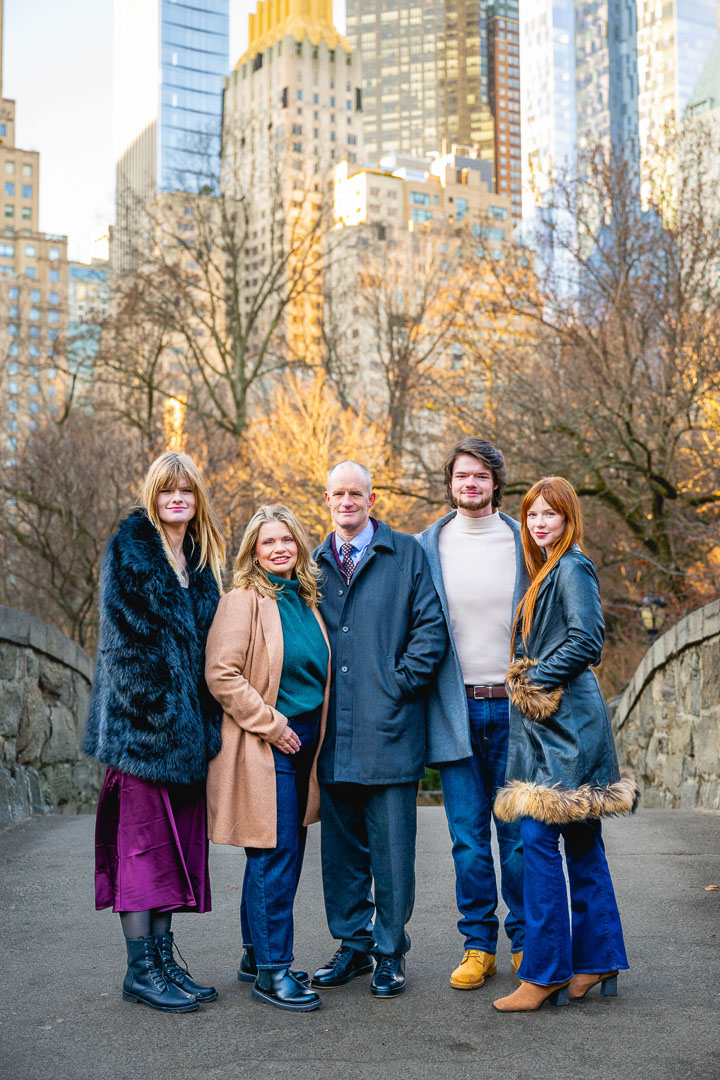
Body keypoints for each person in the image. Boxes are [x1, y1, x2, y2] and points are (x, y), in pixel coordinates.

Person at [84, 451, 225, 1013]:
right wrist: (165, 716)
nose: (176, 500)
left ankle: (164, 960)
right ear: (153, 495)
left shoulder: (202, 558)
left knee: (173, 854)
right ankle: (139, 969)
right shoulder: (132, 551)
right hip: (143, 736)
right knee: (140, 853)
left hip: (189, 738)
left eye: (186, 492)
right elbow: (125, 649)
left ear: (196, 500)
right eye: (167, 491)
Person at [492, 476, 638, 1012]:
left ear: (568, 517)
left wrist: (532, 679)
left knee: (536, 840)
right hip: (559, 723)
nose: (539, 523)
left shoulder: (572, 566)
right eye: (531, 515)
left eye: (550, 514)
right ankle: (597, 958)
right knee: (579, 842)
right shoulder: (546, 569)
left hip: (567, 724)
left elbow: (587, 640)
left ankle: (546, 971)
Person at [310, 461, 447, 998]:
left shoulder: (405, 553)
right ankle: (353, 947)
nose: (346, 501)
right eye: (337, 493)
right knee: (340, 855)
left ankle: (390, 952)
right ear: (326, 499)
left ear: (372, 498)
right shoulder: (313, 563)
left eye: (356, 493)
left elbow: (431, 628)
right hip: (331, 736)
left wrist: (398, 684)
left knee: (392, 855)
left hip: (390, 730)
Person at [205, 505, 330, 1013]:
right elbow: (221, 674)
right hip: (266, 743)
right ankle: (274, 974)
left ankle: (257, 956)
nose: (279, 549)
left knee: (282, 853)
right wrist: (273, 725)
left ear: (299, 546)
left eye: (287, 541)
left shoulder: (305, 600)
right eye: (267, 542)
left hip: (306, 744)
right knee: (273, 854)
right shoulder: (242, 601)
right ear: (252, 552)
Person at [415, 438, 527, 991]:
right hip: (454, 710)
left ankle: (527, 943)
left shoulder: (525, 541)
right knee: (467, 837)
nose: (471, 485)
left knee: (519, 835)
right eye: (462, 476)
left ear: (496, 484)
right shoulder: (425, 548)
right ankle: (478, 944)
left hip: (516, 713)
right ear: (451, 482)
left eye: (481, 476)